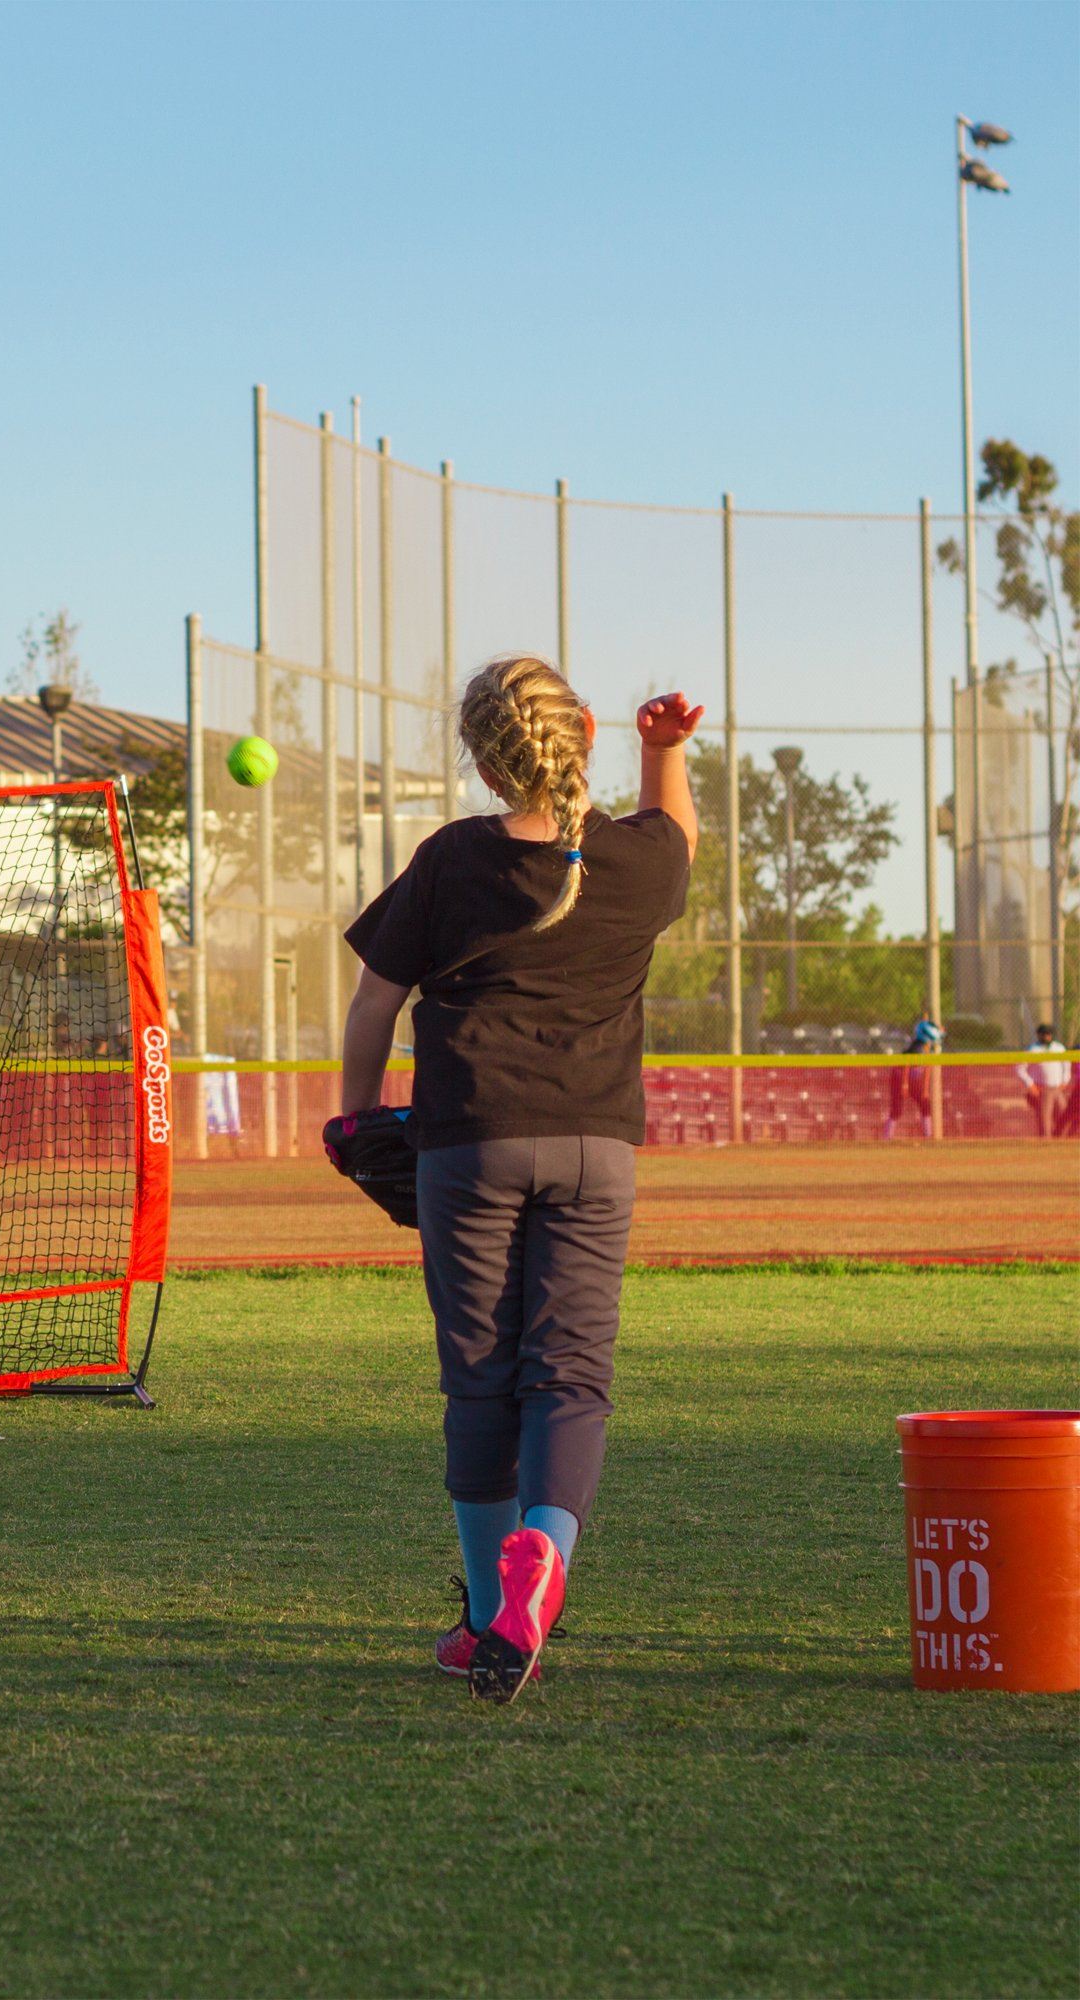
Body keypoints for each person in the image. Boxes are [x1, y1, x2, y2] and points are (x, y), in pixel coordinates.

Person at [338, 657, 700, 1704]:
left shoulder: (455, 856)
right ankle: (543, 1550)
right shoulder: (637, 860)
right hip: (596, 1148)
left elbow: (373, 1004)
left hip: (471, 1141)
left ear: (486, 765)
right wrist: (663, 751)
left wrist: (354, 1120)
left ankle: (487, 1612)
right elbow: (674, 830)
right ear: (582, 730)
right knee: (569, 1375)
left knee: (479, 1376)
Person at [883, 1016, 943, 1140]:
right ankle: (886, 1137)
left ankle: (928, 1136)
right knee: (896, 1109)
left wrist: (925, 1090)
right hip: (899, 1079)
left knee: (925, 1104)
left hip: (914, 1080)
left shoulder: (929, 1048)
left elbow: (927, 1069)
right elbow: (906, 1065)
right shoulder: (917, 1047)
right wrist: (904, 1084)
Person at [1016, 1023, 1072, 1139]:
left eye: (1049, 1034)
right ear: (1038, 1035)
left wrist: (1065, 1081)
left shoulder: (1059, 1048)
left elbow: (1066, 1066)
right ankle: (1046, 1142)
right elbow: (1019, 1068)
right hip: (1042, 1089)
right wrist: (1030, 1084)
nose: (1047, 1036)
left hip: (1058, 1088)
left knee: (1064, 1115)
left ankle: (1062, 1141)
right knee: (1045, 1118)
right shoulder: (1032, 1049)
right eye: (1044, 1034)